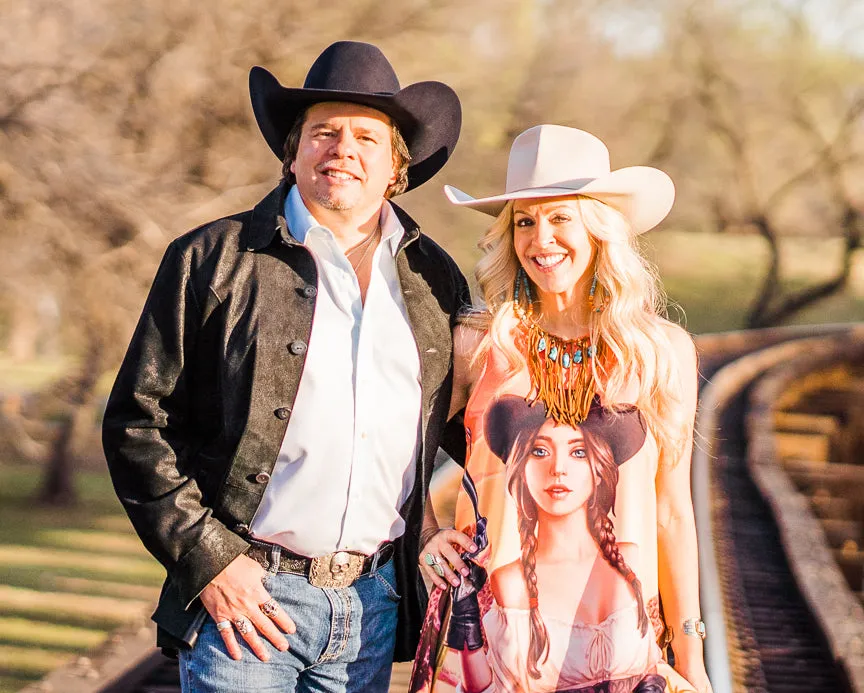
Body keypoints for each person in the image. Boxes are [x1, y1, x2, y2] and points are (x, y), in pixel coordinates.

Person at [102, 40, 468, 693]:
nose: (343, 149)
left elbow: (474, 423)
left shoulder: (433, 278)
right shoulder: (213, 260)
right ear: (292, 151)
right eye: (324, 132)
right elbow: (139, 422)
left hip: (370, 607)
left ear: (395, 168)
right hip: (249, 604)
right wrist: (208, 558)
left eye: (366, 137)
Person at [411, 125, 712, 692]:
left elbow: (672, 510)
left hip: (619, 641)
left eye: (559, 218)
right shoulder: (481, 344)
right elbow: (403, 445)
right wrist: (426, 531)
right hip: (494, 638)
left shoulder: (659, 351)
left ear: (598, 229)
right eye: (524, 221)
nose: (539, 239)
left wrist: (691, 652)